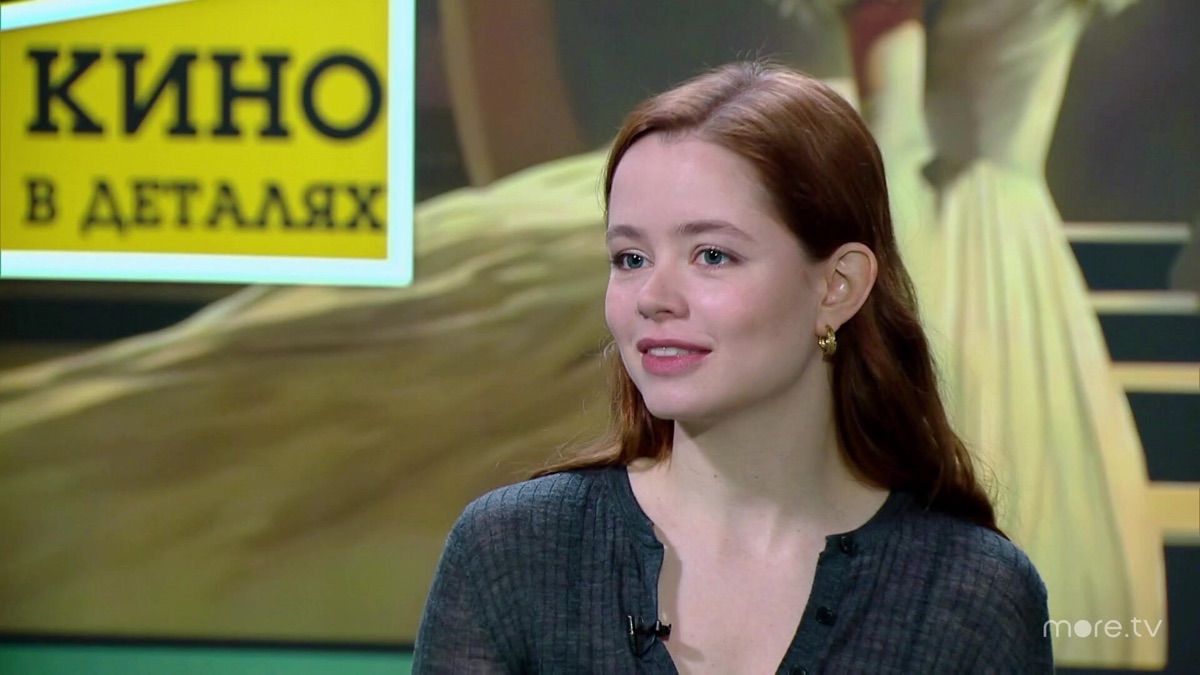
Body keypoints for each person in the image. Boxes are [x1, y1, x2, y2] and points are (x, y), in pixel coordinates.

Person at [412, 61, 1053, 673]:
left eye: (712, 255)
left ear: (838, 285)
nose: (654, 297)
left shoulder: (971, 595)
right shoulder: (514, 553)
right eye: (630, 258)